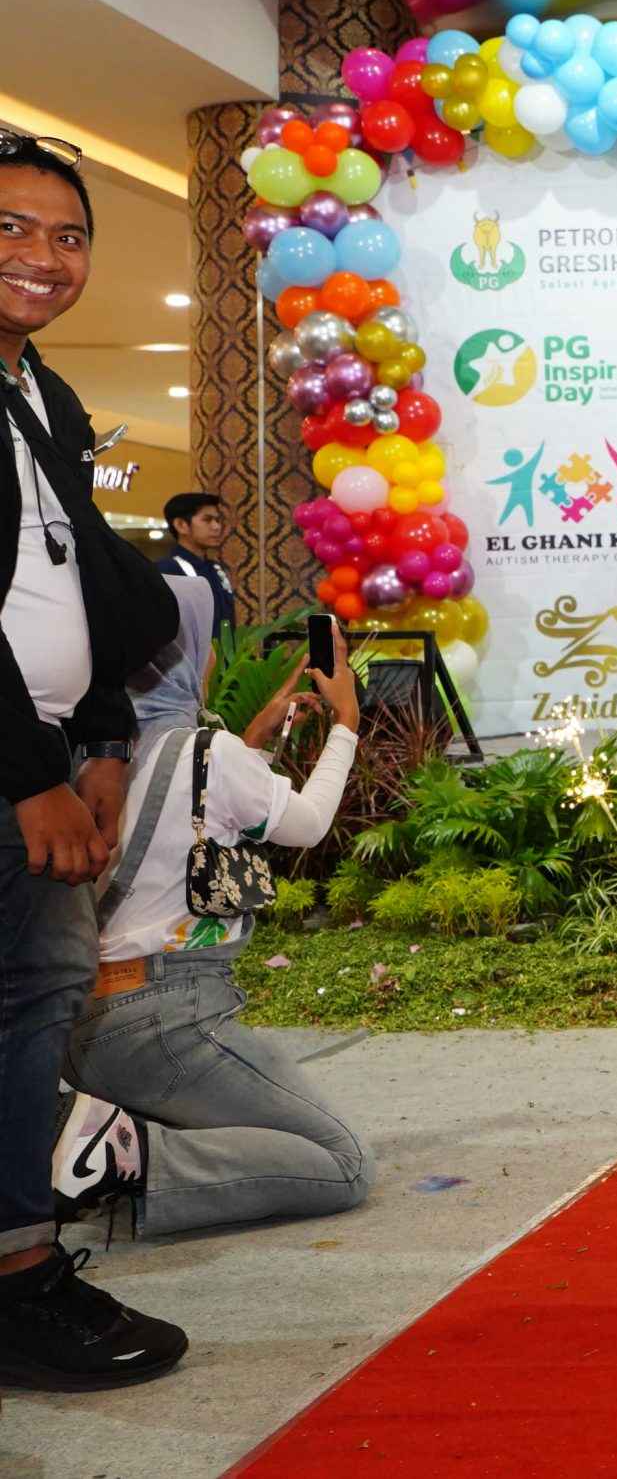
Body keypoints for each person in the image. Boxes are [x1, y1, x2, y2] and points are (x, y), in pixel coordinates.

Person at [0, 131, 188, 1391]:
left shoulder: (45, 393)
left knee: (28, 1014)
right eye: (11, 228)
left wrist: (107, 741)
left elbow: (81, 581)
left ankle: (21, 1270)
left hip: (57, 756)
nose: (43, 258)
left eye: (67, 236)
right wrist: (30, 775)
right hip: (12, 774)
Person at [54, 577, 370, 1236]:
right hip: (171, 1019)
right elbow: (307, 822)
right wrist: (346, 723)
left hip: (81, 1025)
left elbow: (184, 820)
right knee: (340, 1161)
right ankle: (128, 1150)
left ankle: (94, 1131)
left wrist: (250, 744)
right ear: (197, 657)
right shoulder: (208, 754)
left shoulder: (85, 760)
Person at [155, 492, 237, 637]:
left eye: (218, 520)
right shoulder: (167, 570)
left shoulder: (216, 569)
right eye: (207, 520)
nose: (216, 526)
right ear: (181, 525)